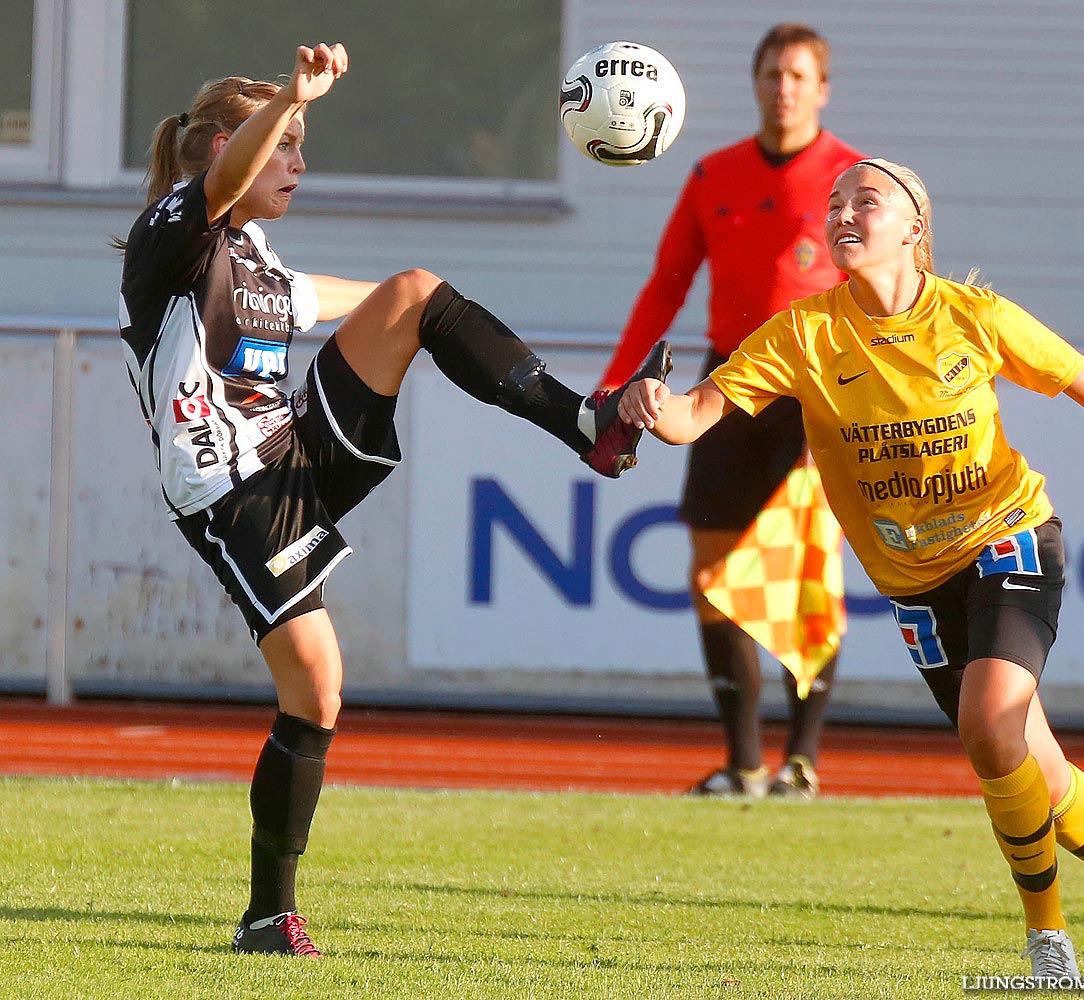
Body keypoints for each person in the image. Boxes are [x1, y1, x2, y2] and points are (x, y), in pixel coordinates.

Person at [116, 42, 670, 957]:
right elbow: (229, 182)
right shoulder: (175, 234)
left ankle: (588, 425)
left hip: (296, 449)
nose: (299, 161)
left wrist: (428, 319)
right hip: (233, 492)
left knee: (415, 291)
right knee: (318, 691)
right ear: (221, 151)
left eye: (300, 143)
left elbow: (344, 300)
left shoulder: (255, 257)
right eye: (285, 144)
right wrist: (292, 94)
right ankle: (266, 917)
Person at [617, 158, 1084, 980]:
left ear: (913, 228)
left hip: (1009, 536)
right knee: (1029, 767)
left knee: (986, 719)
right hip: (916, 585)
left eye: (865, 200)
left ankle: (1048, 942)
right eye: (833, 204)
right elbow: (692, 419)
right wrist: (650, 404)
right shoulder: (803, 333)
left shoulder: (973, 316)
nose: (841, 214)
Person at [600, 23, 865, 798]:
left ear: (820, 88)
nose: (782, 87)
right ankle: (744, 763)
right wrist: (613, 386)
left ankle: (803, 761)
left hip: (816, 389)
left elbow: (873, 300)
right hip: (728, 383)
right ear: (756, 85)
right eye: (771, 74)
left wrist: (850, 409)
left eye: (797, 75)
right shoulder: (711, 174)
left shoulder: (851, 176)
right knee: (712, 571)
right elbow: (665, 286)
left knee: (806, 573)